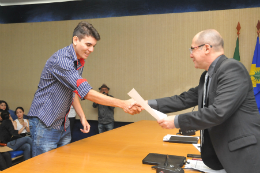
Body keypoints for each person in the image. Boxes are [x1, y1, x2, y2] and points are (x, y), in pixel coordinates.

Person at [146, 29, 260, 172]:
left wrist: (175, 121)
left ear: (206, 48)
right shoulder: (207, 76)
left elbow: (218, 112)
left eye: (192, 49)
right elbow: (184, 99)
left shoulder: (232, 69)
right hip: (221, 155)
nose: (190, 55)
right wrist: (146, 104)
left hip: (242, 156)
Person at [27, 21, 141, 157]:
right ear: (75, 40)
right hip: (45, 122)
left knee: (62, 166)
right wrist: (123, 103)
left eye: (93, 46)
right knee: (43, 168)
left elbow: (73, 90)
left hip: (63, 123)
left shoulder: (79, 61)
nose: (91, 49)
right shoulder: (61, 60)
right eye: (88, 44)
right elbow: (85, 92)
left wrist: (82, 117)